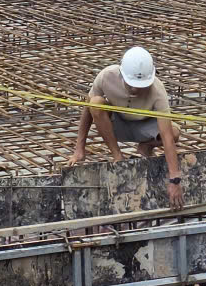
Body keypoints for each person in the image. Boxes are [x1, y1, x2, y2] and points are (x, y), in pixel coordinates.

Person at [66, 46, 184, 208]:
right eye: (132, 85)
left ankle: (145, 146)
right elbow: (88, 108)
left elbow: (168, 138)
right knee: (95, 103)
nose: (136, 89)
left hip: (144, 127)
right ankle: (117, 156)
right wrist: (80, 149)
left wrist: (174, 179)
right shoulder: (107, 76)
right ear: (122, 75)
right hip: (117, 125)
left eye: (141, 85)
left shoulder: (157, 90)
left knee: (175, 132)